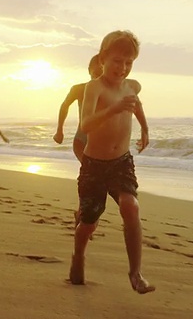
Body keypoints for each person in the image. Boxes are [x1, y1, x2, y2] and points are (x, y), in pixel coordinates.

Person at [69, 30, 155, 294]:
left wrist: (145, 129)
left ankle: (136, 273)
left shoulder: (130, 87)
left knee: (131, 206)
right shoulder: (93, 87)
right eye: (117, 61)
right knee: (89, 222)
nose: (123, 68)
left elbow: (136, 105)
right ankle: (79, 255)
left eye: (129, 63)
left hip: (122, 162)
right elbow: (86, 123)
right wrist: (114, 109)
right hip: (94, 164)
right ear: (103, 58)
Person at [53, 54, 103, 162]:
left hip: (105, 144)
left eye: (103, 72)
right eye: (96, 73)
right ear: (89, 70)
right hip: (82, 141)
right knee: (90, 174)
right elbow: (64, 106)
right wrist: (59, 130)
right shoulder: (79, 89)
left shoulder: (115, 91)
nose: (98, 77)